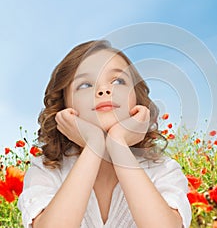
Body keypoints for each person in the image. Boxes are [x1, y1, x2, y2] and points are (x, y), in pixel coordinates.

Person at [18, 40, 192, 228]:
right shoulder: (46, 171)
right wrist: (94, 145)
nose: (104, 90)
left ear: (136, 98)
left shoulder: (163, 169)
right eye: (85, 85)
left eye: (118, 81)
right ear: (64, 105)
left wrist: (118, 144)